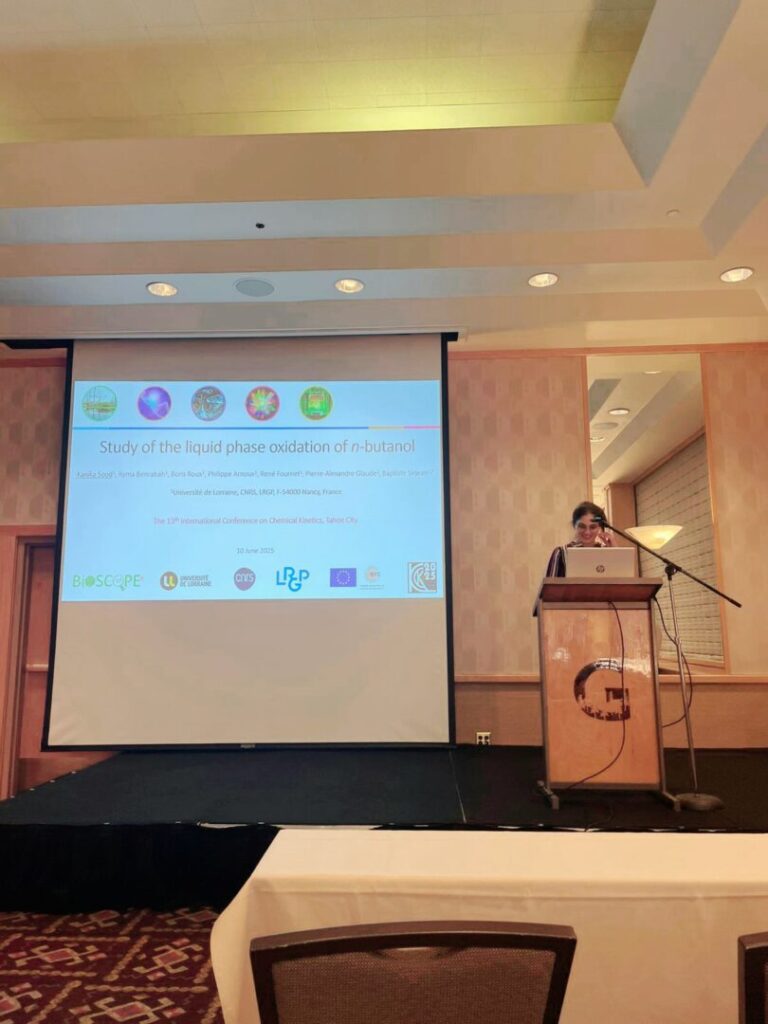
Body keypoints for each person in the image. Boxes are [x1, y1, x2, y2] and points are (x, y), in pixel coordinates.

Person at [546, 501, 615, 578]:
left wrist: (615, 553)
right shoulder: (560, 553)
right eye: (582, 526)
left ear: (599, 528)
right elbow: (550, 584)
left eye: (592, 527)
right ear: (574, 525)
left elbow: (619, 582)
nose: (587, 532)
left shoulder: (606, 552)